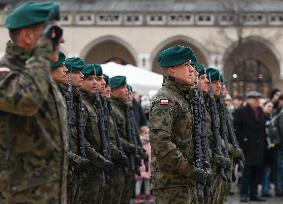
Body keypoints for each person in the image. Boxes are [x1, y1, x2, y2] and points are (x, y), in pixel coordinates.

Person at [0, 1, 67, 203]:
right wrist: (44, 50)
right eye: (53, 34)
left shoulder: (39, 74)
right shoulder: (5, 74)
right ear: (28, 37)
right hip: (19, 197)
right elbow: (27, 101)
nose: (61, 40)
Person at [150, 45, 206, 204]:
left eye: (191, 65)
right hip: (171, 183)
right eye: (186, 65)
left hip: (185, 180)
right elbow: (161, 142)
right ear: (172, 70)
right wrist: (190, 170)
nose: (192, 70)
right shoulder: (165, 99)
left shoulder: (182, 97)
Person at [234, 91, 267, 202]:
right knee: (246, 172)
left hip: (259, 147)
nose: (257, 100)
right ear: (248, 99)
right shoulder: (242, 111)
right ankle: (244, 194)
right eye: (255, 98)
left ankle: (254, 193)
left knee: (256, 172)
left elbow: (263, 127)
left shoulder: (260, 111)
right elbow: (237, 128)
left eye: (258, 98)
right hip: (247, 147)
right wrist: (244, 139)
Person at [134, 126, 153, 203]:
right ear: (141, 133)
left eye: (148, 133)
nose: (147, 134)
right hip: (140, 166)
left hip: (148, 166)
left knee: (147, 182)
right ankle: (137, 196)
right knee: (138, 182)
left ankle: (147, 195)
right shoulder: (139, 143)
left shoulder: (150, 143)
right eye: (145, 133)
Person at [261, 100, 275, 197]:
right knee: (263, 171)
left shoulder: (271, 117)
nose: (270, 108)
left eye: (271, 107)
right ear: (264, 106)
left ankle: (265, 190)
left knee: (267, 170)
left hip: (270, 148)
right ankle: (264, 190)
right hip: (261, 148)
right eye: (268, 106)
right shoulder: (261, 117)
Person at [274, 94, 283, 196]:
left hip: (279, 143)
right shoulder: (280, 111)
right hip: (280, 144)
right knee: (280, 168)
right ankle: (279, 189)